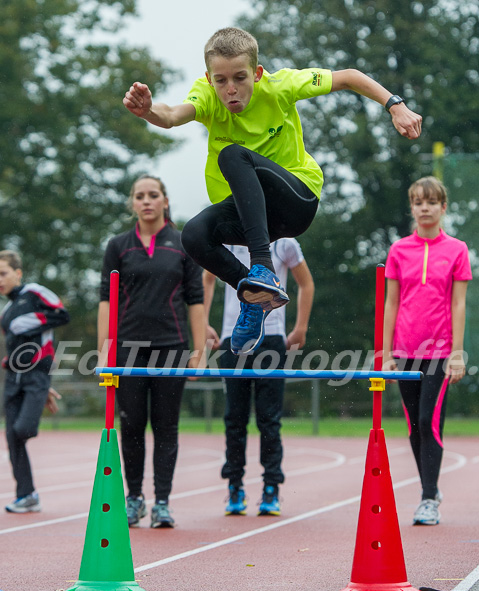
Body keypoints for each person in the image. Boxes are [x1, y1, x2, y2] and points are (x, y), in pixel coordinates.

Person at [122, 26, 422, 356]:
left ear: (258, 73)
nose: (230, 90)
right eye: (220, 81)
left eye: (240, 78)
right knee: (192, 234)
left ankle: (262, 267)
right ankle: (255, 295)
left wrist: (395, 105)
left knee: (233, 154)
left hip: (296, 201)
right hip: (253, 214)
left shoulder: (280, 86)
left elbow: (348, 76)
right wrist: (148, 110)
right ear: (209, 79)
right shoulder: (206, 95)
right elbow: (171, 115)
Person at [98, 175, 206, 529]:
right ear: (132, 203)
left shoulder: (181, 244)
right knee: (130, 427)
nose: (147, 201)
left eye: (153, 195)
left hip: (171, 348)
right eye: (139, 196)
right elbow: (105, 301)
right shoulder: (118, 246)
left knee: (166, 427)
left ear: (165, 201)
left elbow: (195, 300)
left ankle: (162, 502)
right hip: (128, 349)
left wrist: (199, 350)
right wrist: (104, 351)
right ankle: (134, 499)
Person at [383, 176, 472, 526]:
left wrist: (457, 353)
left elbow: (459, 304)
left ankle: (427, 499)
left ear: (443, 207)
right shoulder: (398, 250)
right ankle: (431, 489)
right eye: (418, 202)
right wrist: (386, 352)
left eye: (431, 202)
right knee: (413, 426)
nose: (424, 208)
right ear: (412, 207)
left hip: (439, 351)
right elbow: (391, 303)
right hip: (405, 351)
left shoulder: (457, 250)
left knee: (428, 421)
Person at [203, 238, 314, 516]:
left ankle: (271, 487)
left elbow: (306, 283)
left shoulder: (285, 243)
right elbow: (206, 279)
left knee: (269, 418)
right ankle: (235, 486)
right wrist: (204, 322)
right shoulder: (227, 242)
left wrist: (300, 327)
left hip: (272, 339)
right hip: (233, 338)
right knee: (235, 418)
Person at [0, 250, 69, 513]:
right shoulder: (6, 312)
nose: (0, 279)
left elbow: (62, 314)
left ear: (17, 273)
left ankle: (27, 494)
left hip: (36, 375)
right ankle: (27, 495)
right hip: (13, 380)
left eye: (4, 273)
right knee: (12, 437)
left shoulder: (35, 292)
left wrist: (27, 320)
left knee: (23, 430)